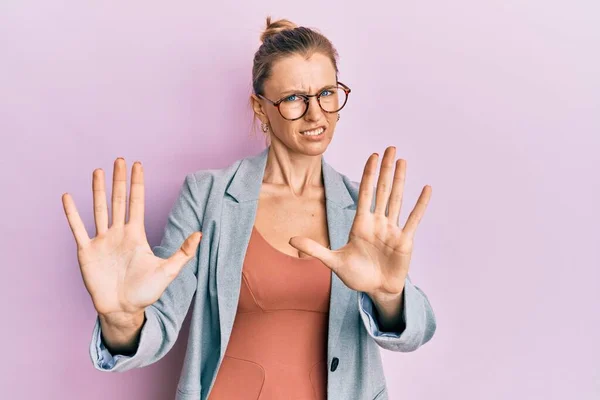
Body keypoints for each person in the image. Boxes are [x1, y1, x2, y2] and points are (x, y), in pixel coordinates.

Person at [61, 16, 436, 400]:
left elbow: (418, 330)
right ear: (260, 108)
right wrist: (121, 318)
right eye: (293, 98)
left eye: (327, 93)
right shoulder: (207, 195)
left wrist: (389, 298)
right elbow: (158, 323)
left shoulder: (361, 208)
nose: (315, 113)